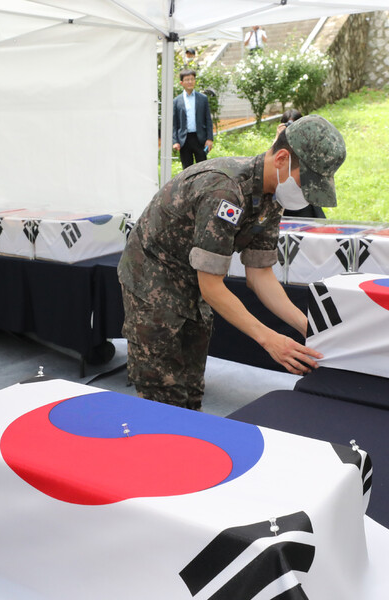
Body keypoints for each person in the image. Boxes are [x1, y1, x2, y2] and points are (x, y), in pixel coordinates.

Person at [119, 114, 346, 409]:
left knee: (190, 388)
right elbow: (212, 286)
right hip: (152, 279)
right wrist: (269, 339)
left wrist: (309, 330)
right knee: (161, 394)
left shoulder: (271, 196)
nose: (306, 196)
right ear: (281, 159)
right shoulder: (224, 190)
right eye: (306, 183)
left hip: (193, 281)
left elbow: (260, 275)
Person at [277, 110, 326, 219]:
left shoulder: (309, 145)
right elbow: (271, 165)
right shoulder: (279, 147)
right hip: (283, 205)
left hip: (305, 203)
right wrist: (278, 139)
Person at [172, 69, 214, 170]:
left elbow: (208, 119)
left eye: (192, 79)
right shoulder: (177, 101)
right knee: (187, 169)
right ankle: (188, 186)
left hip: (200, 139)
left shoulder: (202, 98)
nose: (190, 82)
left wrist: (209, 139)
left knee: (203, 168)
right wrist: (175, 141)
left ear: (195, 81)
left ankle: (203, 186)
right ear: (181, 83)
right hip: (184, 139)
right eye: (187, 80)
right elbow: (174, 123)